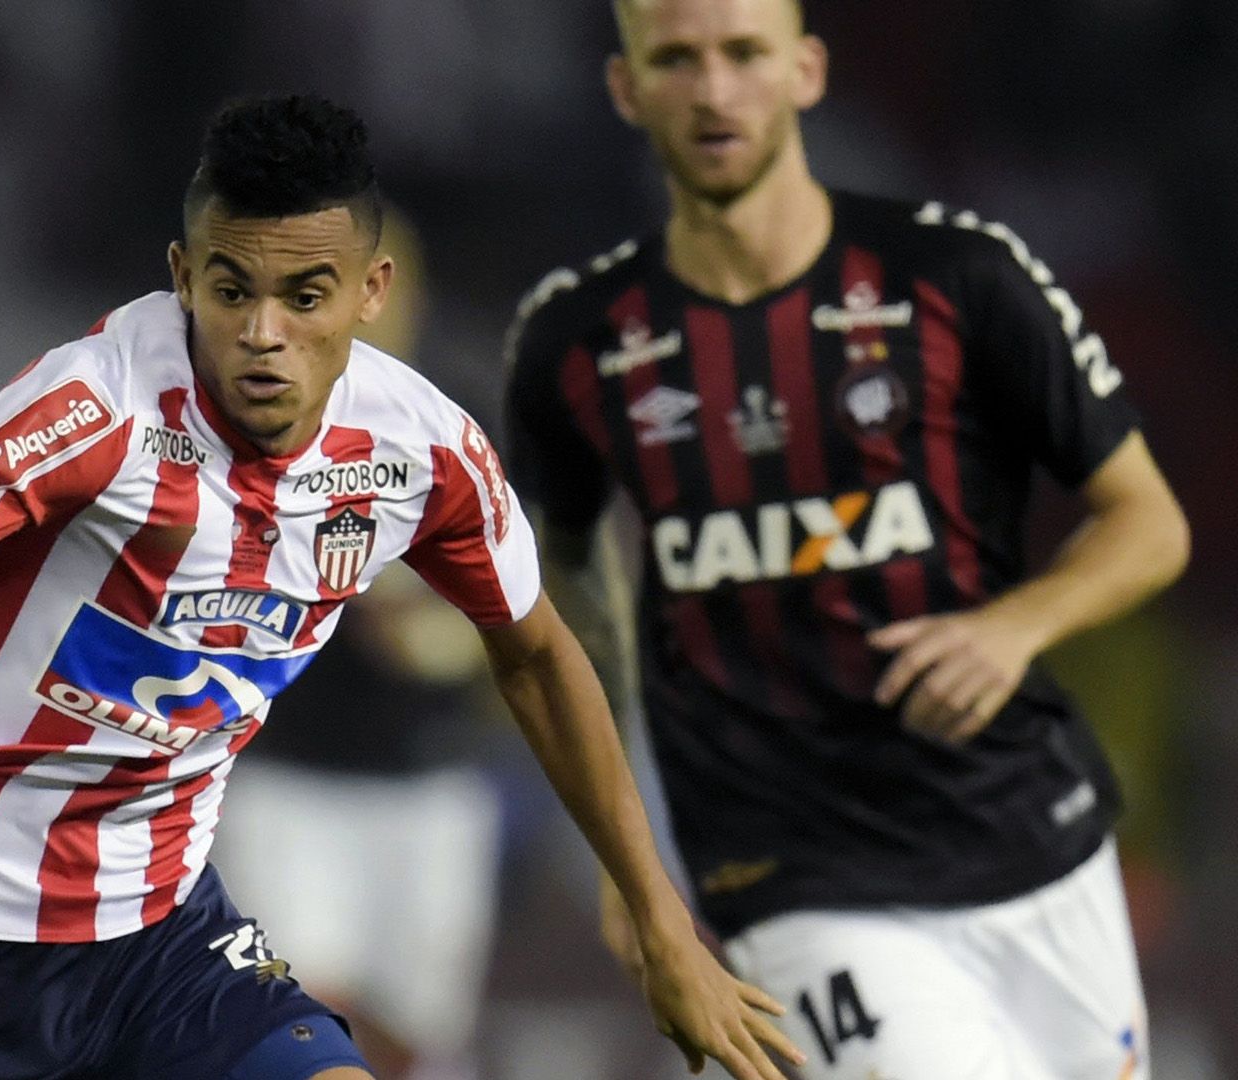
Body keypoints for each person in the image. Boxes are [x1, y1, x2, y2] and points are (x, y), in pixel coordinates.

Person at [0, 94, 803, 1080]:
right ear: (183, 277)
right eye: (232, 290)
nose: (264, 336)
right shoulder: (95, 406)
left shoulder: (423, 451)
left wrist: (660, 923)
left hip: (163, 934)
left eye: (305, 297)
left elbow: (540, 654)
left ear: (373, 290)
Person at [503, 2, 1192, 1077]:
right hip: (793, 875)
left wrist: (1015, 627)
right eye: (677, 60)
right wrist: (625, 864)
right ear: (626, 88)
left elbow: (1150, 521)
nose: (715, 90)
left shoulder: (961, 276)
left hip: (1031, 840)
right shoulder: (574, 343)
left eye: (744, 55)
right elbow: (567, 617)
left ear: (808, 71)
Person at [208, 208, 506, 1080]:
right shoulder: (251, 406)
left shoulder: (462, 414)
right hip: (284, 776)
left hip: (433, 785)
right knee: (291, 1025)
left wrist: (440, 636)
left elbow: (518, 604)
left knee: (419, 1045)